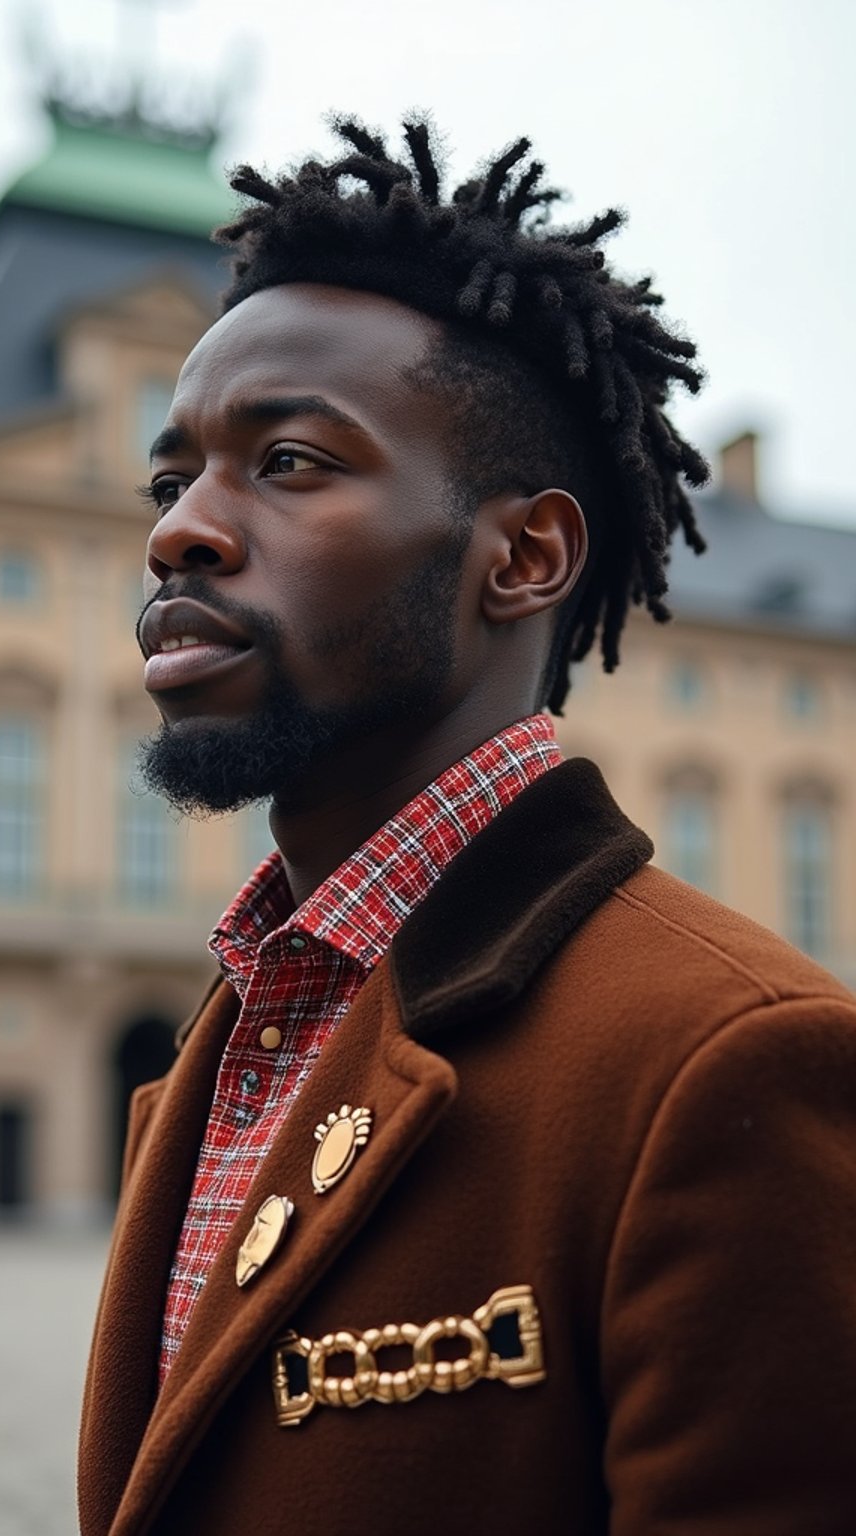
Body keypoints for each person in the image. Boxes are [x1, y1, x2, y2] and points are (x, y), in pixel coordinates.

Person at [78, 118, 856, 1536]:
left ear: (525, 557)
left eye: (292, 463)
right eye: (169, 477)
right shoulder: (239, 1024)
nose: (179, 530)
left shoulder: (730, 1057)